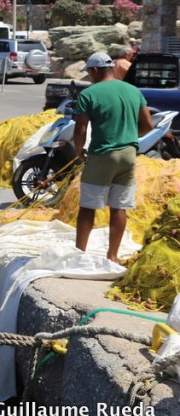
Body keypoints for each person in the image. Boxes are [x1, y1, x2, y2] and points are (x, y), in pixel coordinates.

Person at [73, 52, 153, 263]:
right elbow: (148, 125)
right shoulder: (132, 90)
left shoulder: (89, 94)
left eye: (89, 72)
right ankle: (113, 255)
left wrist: (79, 150)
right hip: (128, 154)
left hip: (102, 155)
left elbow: (80, 129)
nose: (89, 77)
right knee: (119, 206)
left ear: (95, 70)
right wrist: (127, 136)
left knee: (89, 206)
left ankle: (79, 253)